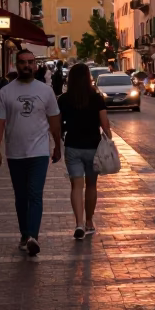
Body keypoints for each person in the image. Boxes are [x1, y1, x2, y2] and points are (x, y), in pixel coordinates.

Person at [0, 47, 61, 256]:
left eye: (31, 62)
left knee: (35, 193)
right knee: (21, 196)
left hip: (39, 152)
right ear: (16, 64)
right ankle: (24, 233)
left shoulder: (45, 91)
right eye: (23, 62)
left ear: (36, 65)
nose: (27, 66)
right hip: (15, 152)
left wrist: (58, 145)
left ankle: (33, 236)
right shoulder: (6, 92)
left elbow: (54, 120)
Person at [58, 62, 112, 239]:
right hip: (93, 147)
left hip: (72, 146)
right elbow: (104, 124)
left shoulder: (64, 99)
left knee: (76, 185)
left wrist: (58, 139)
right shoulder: (96, 97)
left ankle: (78, 223)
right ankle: (89, 222)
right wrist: (109, 139)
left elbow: (58, 124)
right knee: (91, 185)